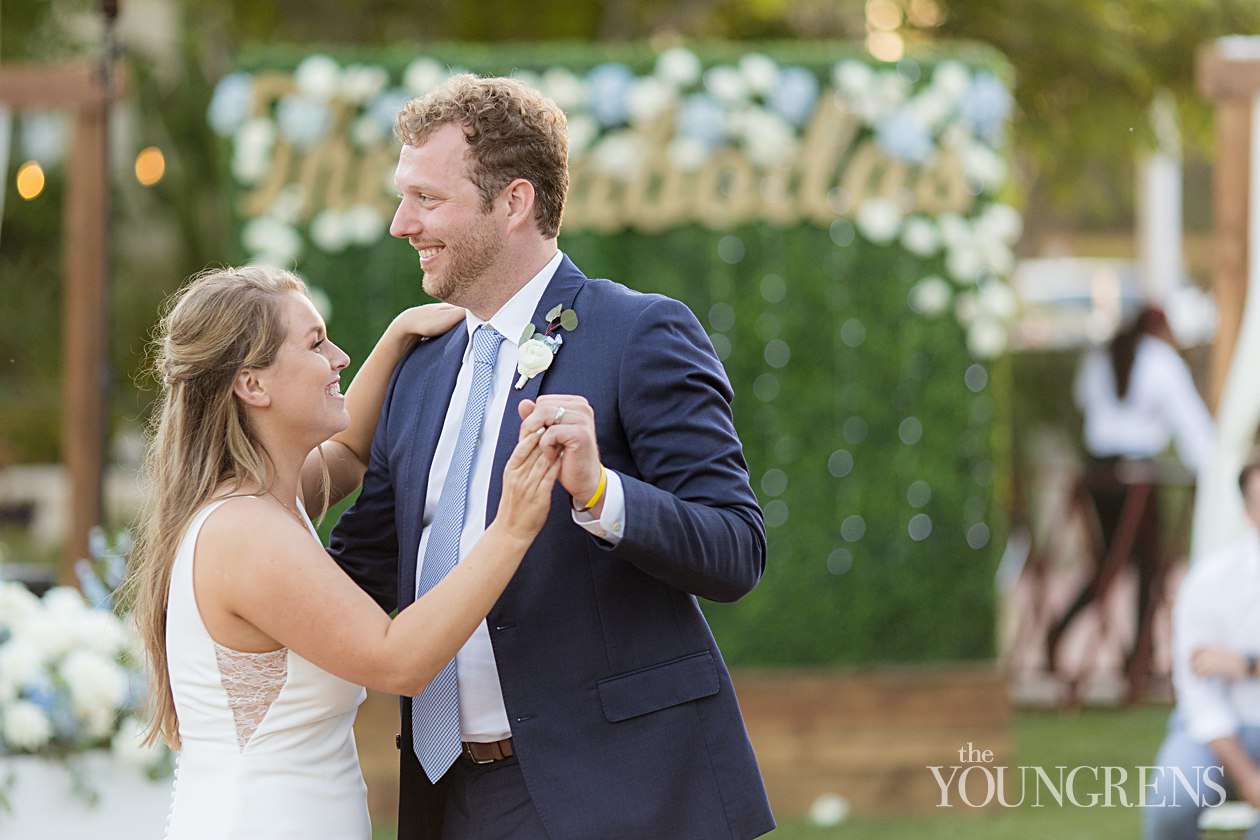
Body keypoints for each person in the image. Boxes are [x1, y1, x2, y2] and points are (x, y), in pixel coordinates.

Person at [328, 74, 775, 839]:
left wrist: (602, 493)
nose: (402, 223)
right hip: (449, 798)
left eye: (427, 199)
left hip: (620, 795)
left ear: (514, 203)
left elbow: (736, 550)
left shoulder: (640, 334)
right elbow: (358, 571)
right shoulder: (420, 366)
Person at [125, 265, 562, 839]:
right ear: (253, 385)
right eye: (315, 344)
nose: (339, 358)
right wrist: (511, 528)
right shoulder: (246, 533)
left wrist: (400, 335)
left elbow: (350, 453)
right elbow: (398, 658)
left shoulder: (263, 497)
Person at [1046, 305, 1214, 673]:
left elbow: (1082, 402)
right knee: (1148, 567)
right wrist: (1213, 468)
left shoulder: (1101, 356)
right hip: (1138, 477)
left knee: (1110, 562)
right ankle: (1140, 655)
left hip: (1099, 472)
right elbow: (1190, 423)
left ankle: (1061, 629)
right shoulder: (1161, 361)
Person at [1142, 457, 1260, 839]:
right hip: (1215, 735)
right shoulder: (1210, 582)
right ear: (1247, 509)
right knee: (1171, 800)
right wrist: (1248, 778)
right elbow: (1199, 697)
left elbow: (1234, 665)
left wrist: (1244, 664)